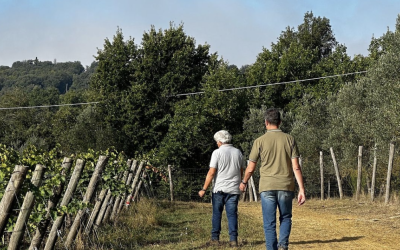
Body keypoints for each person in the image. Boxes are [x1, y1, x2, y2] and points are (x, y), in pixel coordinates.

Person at [239, 108, 306, 250]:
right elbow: (296, 167)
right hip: (286, 185)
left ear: (266, 122)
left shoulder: (259, 141)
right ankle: (283, 245)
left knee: (269, 222)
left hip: (267, 186)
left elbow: (250, 168)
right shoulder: (290, 139)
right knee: (286, 217)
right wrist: (302, 189)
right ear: (280, 122)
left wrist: (244, 182)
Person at [199, 130, 244, 247]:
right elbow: (241, 170)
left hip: (219, 189)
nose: (216, 144)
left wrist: (204, 189)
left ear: (220, 141)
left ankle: (215, 239)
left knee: (217, 214)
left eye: (217, 142)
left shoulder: (217, 153)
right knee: (232, 214)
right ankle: (233, 240)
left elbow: (211, 172)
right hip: (234, 189)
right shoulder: (238, 152)